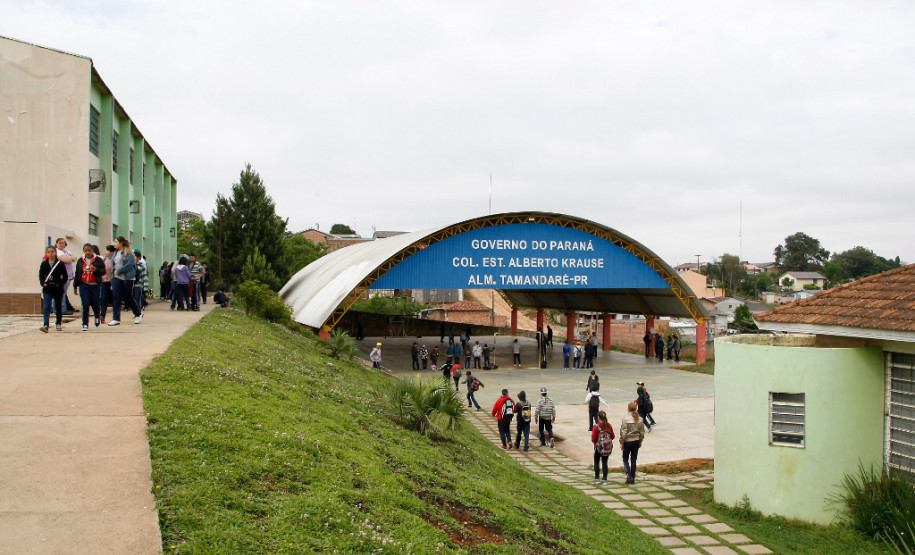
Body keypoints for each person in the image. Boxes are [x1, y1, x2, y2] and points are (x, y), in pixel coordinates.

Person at [109, 236, 143, 326]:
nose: (114, 243)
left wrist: (120, 270)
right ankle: (116, 318)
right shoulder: (115, 253)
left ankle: (138, 313)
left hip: (127, 278)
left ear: (121, 243)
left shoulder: (128, 253)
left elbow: (131, 263)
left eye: (116, 242)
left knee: (128, 297)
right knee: (116, 296)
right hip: (116, 278)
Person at [74, 243, 105, 331]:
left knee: (95, 304)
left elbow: (103, 271)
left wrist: (96, 270)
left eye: (89, 250)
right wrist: (75, 286)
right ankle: (85, 324)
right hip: (84, 284)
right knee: (85, 304)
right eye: (85, 251)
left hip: (95, 285)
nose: (87, 252)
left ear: (92, 250)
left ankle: (97, 316)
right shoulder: (81, 260)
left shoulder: (98, 260)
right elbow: (77, 273)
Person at [39, 246, 68, 332]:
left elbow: (65, 276)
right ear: (46, 253)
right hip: (47, 288)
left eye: (52, 252)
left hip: (57, 288)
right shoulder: (44, 264)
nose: (50, 254)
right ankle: (45, 324)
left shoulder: (60, 263)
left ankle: (58, 323)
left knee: (58, 306)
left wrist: (61, 283)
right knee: (47, 306)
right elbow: (40, 276)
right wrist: (43, 283)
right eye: (49, 252)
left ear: (55, 253)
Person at [620, 401, 646, 484]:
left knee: (625, 459)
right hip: (636, 440)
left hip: (628, 441)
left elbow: (623, 432)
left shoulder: (625, 419)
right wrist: (640, 441)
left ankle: (629, 475)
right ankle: (633, 477)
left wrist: (622, 442)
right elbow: (642, 432)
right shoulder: (640, 419)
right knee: (634, 459)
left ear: (628, 408)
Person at [591, 410, 616, 485]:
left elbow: (593, 439)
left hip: (598, 448)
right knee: (605, 463)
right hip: (607, 448)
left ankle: (597, 478)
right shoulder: (609, 426)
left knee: (596, 462)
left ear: (598, 418)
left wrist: (596, 443)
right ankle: (605, 479)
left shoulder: (596, 427)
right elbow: (613, 436)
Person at [99, 245, 114, 325]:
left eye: (106, 250)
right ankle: (102, 316)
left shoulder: (114, 261)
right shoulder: (103, 260)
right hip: (104, 282)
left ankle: (116, 317)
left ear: (111, 252)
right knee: (103, 299)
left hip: (112, 282)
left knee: (114, 300)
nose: (105, 252)